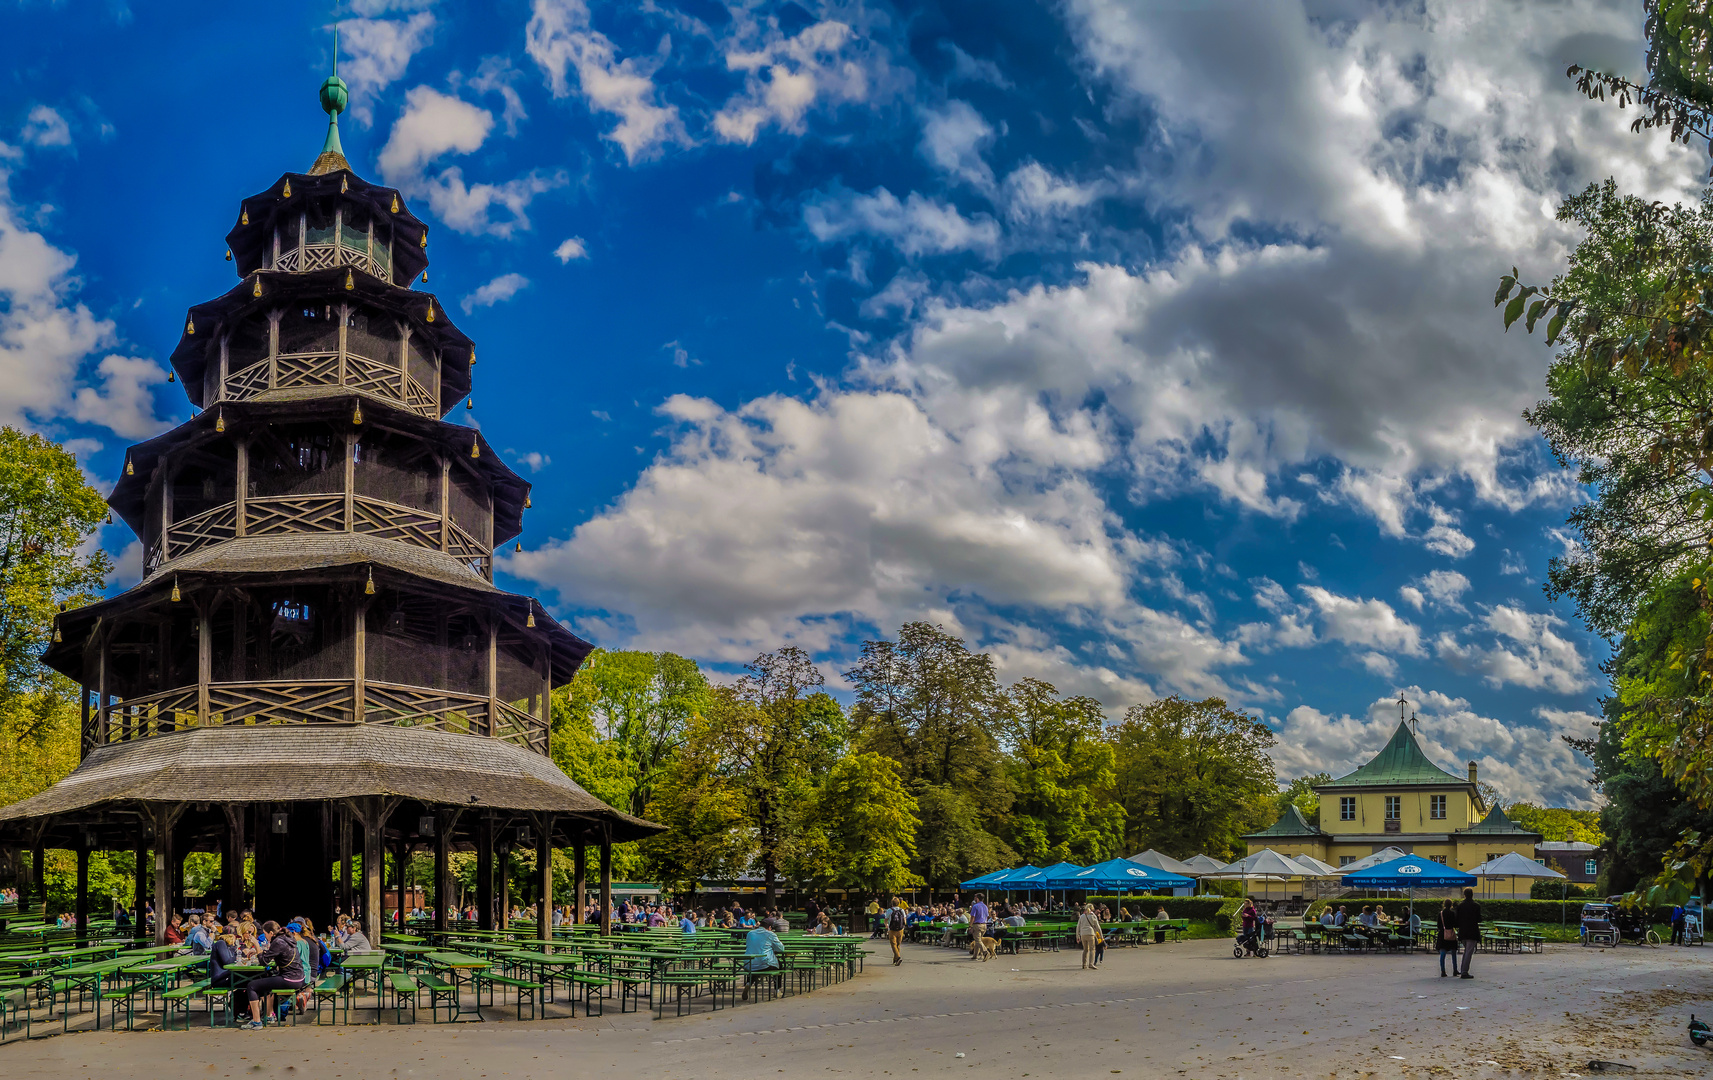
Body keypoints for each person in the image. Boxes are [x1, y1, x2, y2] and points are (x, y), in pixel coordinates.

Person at [241, 921, 307, 1029]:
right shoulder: (287, 938)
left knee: (251, 985)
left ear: (271, 933)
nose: (265, 936)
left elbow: (263, 962)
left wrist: (257, 945)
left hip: (289, 979)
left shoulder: (278, 941)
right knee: (265, 980)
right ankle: (268, 1015)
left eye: (265, 934)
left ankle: (256, 1022)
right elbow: (278, 953)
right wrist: (260, 951)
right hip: (299, 978)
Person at [740, 920, 787, 1001]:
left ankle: (748, 983)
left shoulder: (750, 933)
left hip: (749, 963)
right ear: (769, 927)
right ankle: (777, 989)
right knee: (780, 965)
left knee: (755, 968)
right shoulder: (770, 934)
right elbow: (781, 949)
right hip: (765, 963)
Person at [1455, 887, 1482, 979]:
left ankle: (1463, 969)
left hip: (1463, 931)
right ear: (1472, 894)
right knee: (1469, 952)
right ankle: (1464, 971)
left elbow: (1457, 919)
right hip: (1472, 931)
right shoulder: (1476, 906)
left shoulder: (1460, 906)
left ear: (1464, 895)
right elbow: (1479, 919)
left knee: (1466, 951)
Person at [1435, 898, 1459, 977]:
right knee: (1454, 953)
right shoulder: (1453, 913)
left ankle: (1443, 971)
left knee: (1442, 953)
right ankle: (1455, 970)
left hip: (1442, 934)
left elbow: (1438, 925)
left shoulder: (1440, 914)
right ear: (1451, 905)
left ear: (1444, 905)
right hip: (1451, 933)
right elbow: (1456, 924)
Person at [1076, 903, 1102, 970]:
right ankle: (1091, 964)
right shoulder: (1093, 916)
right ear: (1092, 909)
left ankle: (1084, 964)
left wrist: (1077, 935)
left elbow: (1078, 926)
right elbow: (1097, 927)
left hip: (1083, 934)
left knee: (1085, 950)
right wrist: (1101, 936)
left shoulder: (1082, 916)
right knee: (1092, 949)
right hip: (1090, 933)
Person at [885, 897, 907, 966]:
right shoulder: (902, 910)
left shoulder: (889, 910)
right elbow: (904, 921)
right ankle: (895, 959)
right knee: (898, 944)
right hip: (900, 929)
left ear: (892, 903)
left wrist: (886, 925)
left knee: (893, 944)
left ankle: (898, 957)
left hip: (892, 929)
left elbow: (886, 920)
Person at [968, 894, 990, 960]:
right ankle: (975, 955)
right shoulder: (985, 906)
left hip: (977, 925)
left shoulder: (975, 906)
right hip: (984, 924)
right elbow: (987, 916)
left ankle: (985, 951)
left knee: (978, 940)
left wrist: (970, 926)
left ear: (977, 898)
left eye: (975, 897)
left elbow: (972, 917)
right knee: (978, 940)